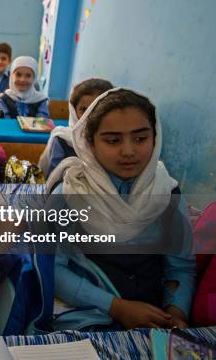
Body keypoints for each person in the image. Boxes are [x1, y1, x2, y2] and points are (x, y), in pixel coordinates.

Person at [47, 88, 195, 331]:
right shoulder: (69, 195)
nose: (128, 151)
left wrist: (174, 315)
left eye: (140, 138)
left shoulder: (167, 193)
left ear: (155, 137)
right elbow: (53, 268)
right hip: (86, 314)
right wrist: (116, 307)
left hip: (153, 317)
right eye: (113, 140)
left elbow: (180, 267)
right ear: (90, 143)